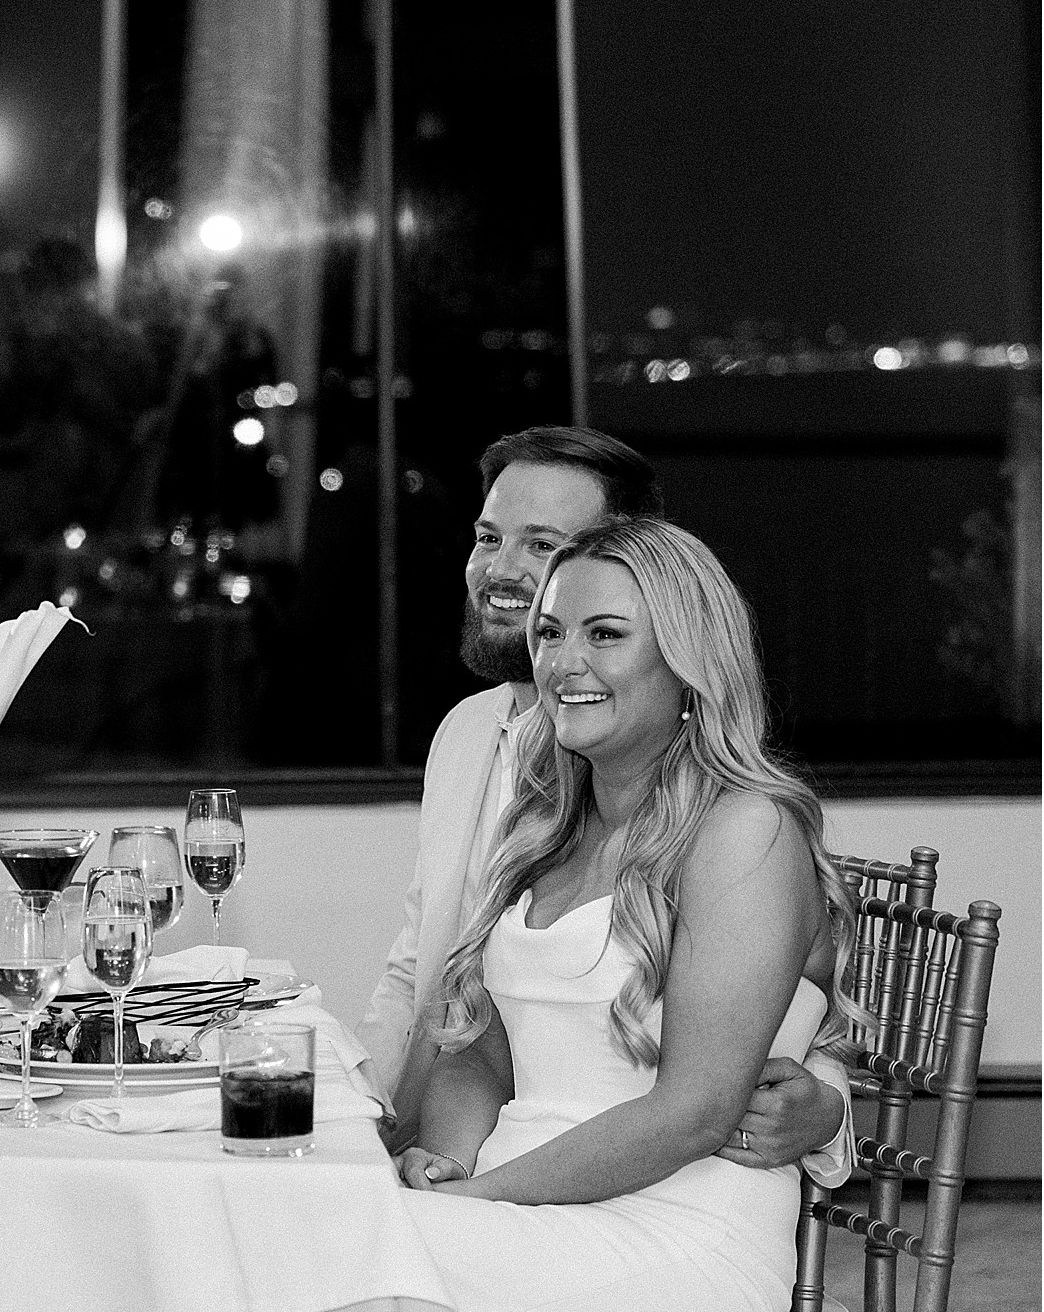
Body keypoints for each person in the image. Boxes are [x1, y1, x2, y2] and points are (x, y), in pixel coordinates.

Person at [393, 515, 863, 1312]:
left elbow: (693, 1111)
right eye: (553, 633)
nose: (564, 661)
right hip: (532, 1213)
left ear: (687, 661)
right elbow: (479, 1047)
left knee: (343, 1276)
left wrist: (476, 1205)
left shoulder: (741, 830)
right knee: (333, 1287)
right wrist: (452, 1165)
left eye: (606, 635)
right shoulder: (549, 819)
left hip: (676, 1247)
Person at [356, 425, 851, 1179]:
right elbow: (423, 977)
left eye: (542, 545)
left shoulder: (738, 829)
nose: (503, 569)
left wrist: (826, 1108)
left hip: (651, 1197)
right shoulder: (484, 754)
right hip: (476, 1154)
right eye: (490, 536)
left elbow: (747, 1049)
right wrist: (380, 1125)